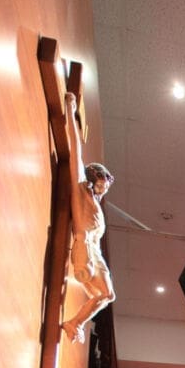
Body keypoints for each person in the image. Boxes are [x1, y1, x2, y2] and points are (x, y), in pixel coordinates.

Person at [61, 92, 115, 343]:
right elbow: (76, 151)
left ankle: (75, 323)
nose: (104, 190)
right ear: (94, 179)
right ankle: (74, 323)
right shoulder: (81, 188)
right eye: (102, 184)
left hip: (95, 250)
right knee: (99, 289)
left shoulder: (95, 203)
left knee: (108, 295)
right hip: (84, 244)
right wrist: (71, 110)